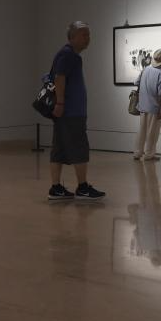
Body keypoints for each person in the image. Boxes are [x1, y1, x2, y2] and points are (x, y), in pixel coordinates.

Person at [48, 21, 105, 200]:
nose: (88, 38)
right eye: (84, 35)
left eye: (89, 34)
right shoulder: (69, 55)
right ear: (72, 37)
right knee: (79, 147)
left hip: (66, 111)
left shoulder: (68, 55)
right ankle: (82, 187)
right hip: (71, 112)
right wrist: (60, 103)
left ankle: (56, 188)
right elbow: (59, 78)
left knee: (59, 148)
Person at [132, 48, 161, 161]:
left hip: (143, 105)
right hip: (154, 107)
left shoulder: (145, 70)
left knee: (142, 130)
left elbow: (137, 83)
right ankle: (149, 154)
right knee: (152, 132)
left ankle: (137, 153)